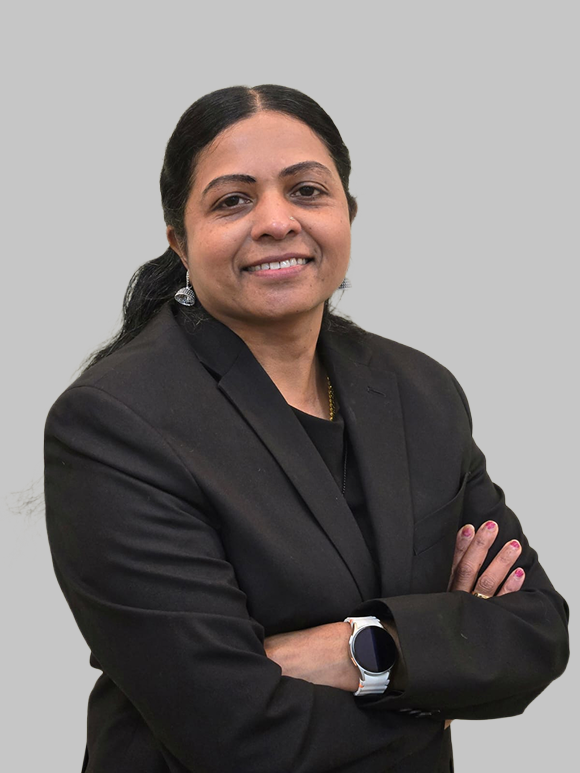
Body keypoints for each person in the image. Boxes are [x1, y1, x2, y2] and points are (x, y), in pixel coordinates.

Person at [44, 84, 569, 773]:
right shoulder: (115, 422)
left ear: (346, 212)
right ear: (179, 239)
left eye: (307, 191)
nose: (275, 221)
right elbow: (233, 731)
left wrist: (359, 652)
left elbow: (534, 633)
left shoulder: (419, 391)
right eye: (233, 201)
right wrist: (433, 678)